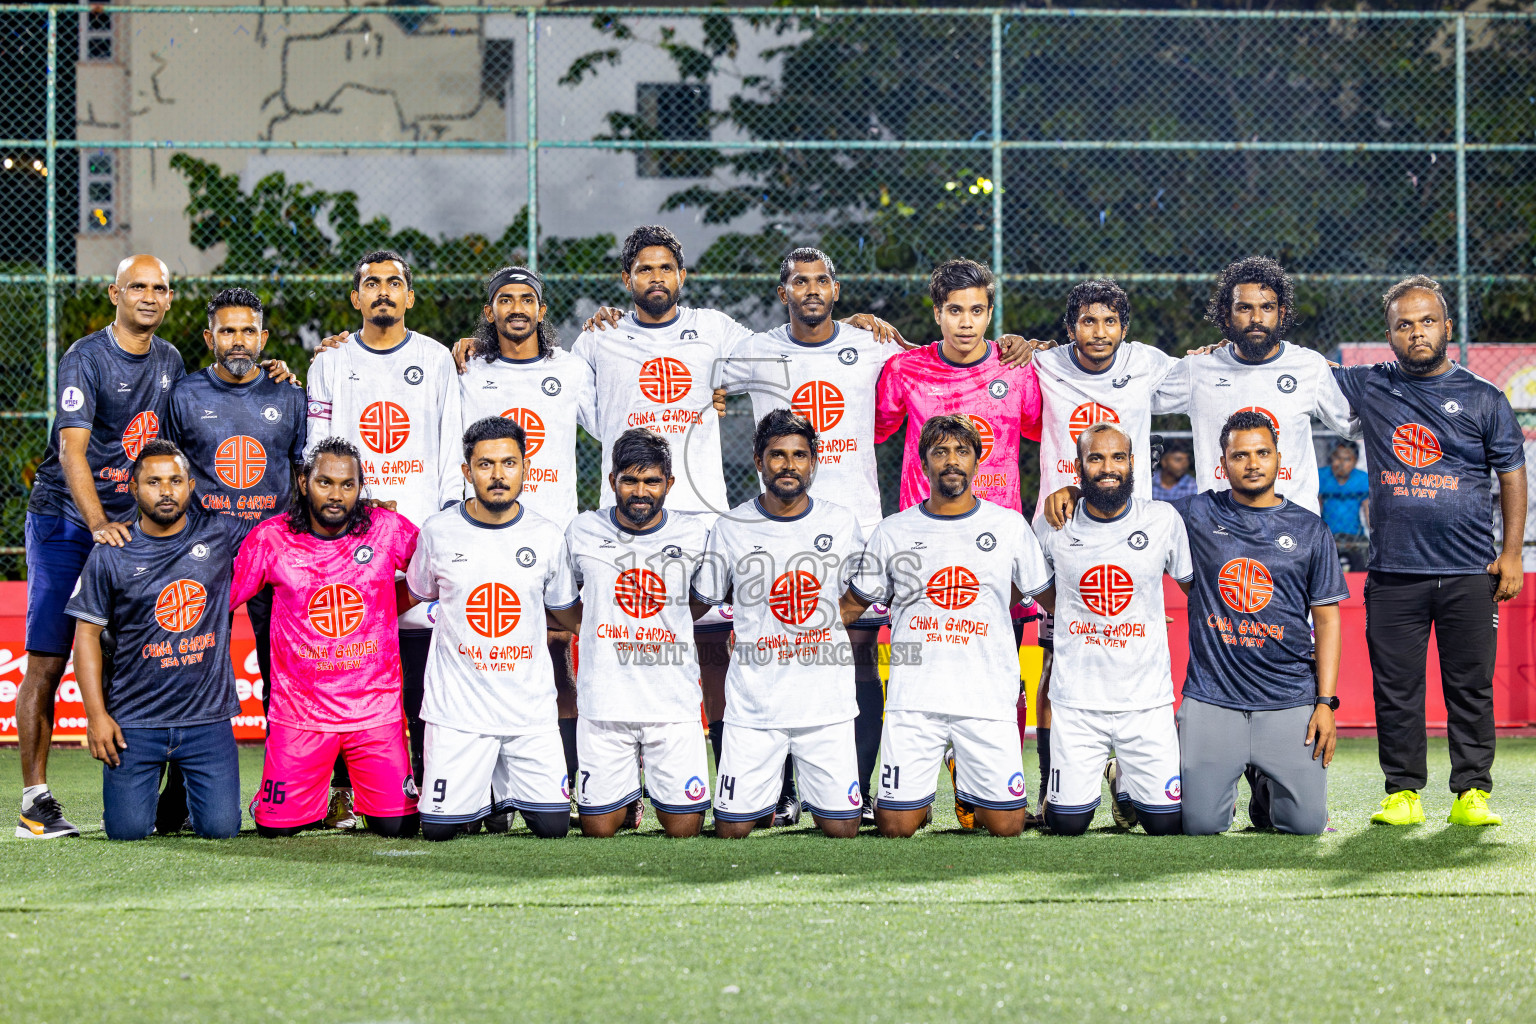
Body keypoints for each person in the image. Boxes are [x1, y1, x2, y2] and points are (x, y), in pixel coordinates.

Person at [1057, 413, 1346, 835]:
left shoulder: (1310, 528)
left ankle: (1264, 783)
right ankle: (1154, 779)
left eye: (1262, 453)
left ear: (1279, 460)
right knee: (1196, 824)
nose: (1252, 463)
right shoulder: (1194, 512)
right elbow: (1121, 506)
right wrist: (1074, 490)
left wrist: (1326, 703)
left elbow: (1327, 620)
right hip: (1214, 696)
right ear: (1222, 462)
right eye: (1240, 455)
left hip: (1288, 696)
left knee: (1306, 826)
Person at [1333, 275, 1527, 827]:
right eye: (1403, 325)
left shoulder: (1483, 398)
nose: (1416, 332)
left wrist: (1510, 553)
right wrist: (1224, 352)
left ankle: (1472, 793)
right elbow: (1293, 372)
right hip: (1394, 572)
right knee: (1396, 690)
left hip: (1469, 571)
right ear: (1389, 335)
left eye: (1426, 321)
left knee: (1470, 686)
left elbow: (1512, 475)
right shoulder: (1370, 385)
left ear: (1446, 327)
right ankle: (1403, 794)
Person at [718, 247, 901, 826]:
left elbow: (939, 364)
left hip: (855, 526)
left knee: (859, 659)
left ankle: (858, 788)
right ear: (784, 292)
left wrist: (1027, 349)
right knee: (778, 645)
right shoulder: (755, 350)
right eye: (800, 281)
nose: (812, 290)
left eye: (822, 280)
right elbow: (685, 375)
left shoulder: (870, 344)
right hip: (777, 525)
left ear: (837, 290)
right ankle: (781, 789)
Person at [16, 254, 185, 838]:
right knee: (48, 655)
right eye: (137, 286)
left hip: (124, 528)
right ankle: (34, 801)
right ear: (114, 293)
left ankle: (149, 793)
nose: (149, 296)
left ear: (169, 299)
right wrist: (97, 528)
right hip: (67, 521)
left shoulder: (170, 359)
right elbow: (72, 452)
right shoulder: (85, 357)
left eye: (160, 288)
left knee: (134, 657)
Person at [305, 249, 462, 824]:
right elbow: (315, 448)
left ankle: (427, 781)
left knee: (422, 671)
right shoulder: (330, 361)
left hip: (416, 539)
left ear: (410, 297)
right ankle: (342, 790)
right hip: (349, 540)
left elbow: (451, 450)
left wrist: (444, 524)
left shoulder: (436, 359)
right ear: (355, 298)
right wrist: (331, 521)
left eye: (394, 283)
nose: (383, 292)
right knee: (347, 666)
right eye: (371, 283)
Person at [1014, 278, 1179, 817]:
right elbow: (988, 359)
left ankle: (1129, 779)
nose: (1100, 332)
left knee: (1132, 658)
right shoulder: (1045, 363)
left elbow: (1204, 376)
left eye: (1110, 321)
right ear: (1069, 329)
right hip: (1064, 530)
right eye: (1088, 321)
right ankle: (1051, 783)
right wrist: (1016, 342)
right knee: (1057, 662)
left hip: (1132, 538)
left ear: (1124, 329)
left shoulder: (1148, 363)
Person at [844, 414, 1052, 837]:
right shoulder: (893, 530)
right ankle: (924, 792)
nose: (951, 461)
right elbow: (852, 604)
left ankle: (964, 770)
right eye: (940, 452)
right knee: (896, 827)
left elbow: (1049, 598)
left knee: (1007, 826)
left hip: (986, 698)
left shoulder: (1008, 526)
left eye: (961, 451)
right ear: (924, 463)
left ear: (978, 461)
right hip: (915, 700)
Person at [160, 287, 307, 832]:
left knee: (285, 677)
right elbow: (165, 472)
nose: (238, 340)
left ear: (263, 338)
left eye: (248, 331)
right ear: (209, 338)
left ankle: (283, 794)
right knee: (192, 670)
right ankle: (175, 796)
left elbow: (304, 473)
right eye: (227, 331)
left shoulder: (290, 395)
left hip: (275, 556)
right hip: (205, 556)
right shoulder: (183, 395)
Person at [457, 265, 597, 827]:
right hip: (485, 533)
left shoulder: (572, 369)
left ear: (542, 311)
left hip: (553, 539)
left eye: (528, 299)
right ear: (489, 312)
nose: (517, 307)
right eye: (505, 299)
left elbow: (617, 422)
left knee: (559, 662)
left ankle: (563, 782)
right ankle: (491, 794)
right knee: (487, 661)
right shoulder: (466, 369)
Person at [231, 438, 421, 838]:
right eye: (325, 483)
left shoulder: (386, 529)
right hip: (300, 715)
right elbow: (220, 600)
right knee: (276, 831)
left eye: (347, 485)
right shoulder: (271, 539)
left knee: (399, 826)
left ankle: (373, 799)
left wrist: (388, 602)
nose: (336, 495)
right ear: (304, 482)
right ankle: (270, 800)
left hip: (375, 712)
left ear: (360, 487)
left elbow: (438, 576)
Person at [691, 409, 864, 838]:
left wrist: (824, 620)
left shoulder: (840, 523)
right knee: (732, 830)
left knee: (842, 829)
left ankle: (812, 797)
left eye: (799, 455)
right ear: (758, 460)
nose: (789, 466)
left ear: (814, 462)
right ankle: (770, 797)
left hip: (824, 706)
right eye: (778, 455)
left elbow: (864, 589)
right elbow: (711, 594)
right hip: (755, 707)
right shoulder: (730, 526)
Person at [406, 417, 581, 840]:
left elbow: (566, 613)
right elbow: (417, 592)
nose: (498, 475)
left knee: (555, 827)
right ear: (467, 472)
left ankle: (499, 793)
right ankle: (481, 794)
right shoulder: (438, 531)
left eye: (509, 463)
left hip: (528, 714)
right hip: (458, 714)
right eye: (485, 465)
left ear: (526, 468)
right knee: (439, 831)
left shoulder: (546, 535)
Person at [65, 440, 245, 840]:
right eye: (154, 482)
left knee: (221, 830)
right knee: (126, 833)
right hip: (134, 722)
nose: (166, 491)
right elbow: (87, 636)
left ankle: (183, 786)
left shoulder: (220, 534)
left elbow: (293, 526)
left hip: (206, 721)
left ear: (191, 485)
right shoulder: (112, 551)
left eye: (176, 480)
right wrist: (97, 717)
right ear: (133, 488)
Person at [1031, 423, 1192, 837]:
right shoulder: (1053, 523)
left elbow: (1195, 587)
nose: (1108, 467)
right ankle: (1105, 774)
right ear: (1079, 466)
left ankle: (1123, 778)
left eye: (1118, 457)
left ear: (1133, 463)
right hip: (1078, 703)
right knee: (1065, 824)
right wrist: (1084, 614)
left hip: (1146, 701)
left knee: (1167, 824)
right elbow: (1038, 590)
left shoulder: (1162, 519)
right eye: (1096, 458)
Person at [564, 428, 715, 837]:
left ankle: (642, 792)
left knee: (684, 829)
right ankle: (627, 800)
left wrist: (660, 621)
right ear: (612, 481)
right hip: (604, 705)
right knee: (599, 831)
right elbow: (563, 603)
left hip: (673, 705)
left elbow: (699, 601)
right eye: (629, 480)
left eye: (651, 481)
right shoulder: (582, 531)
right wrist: (598, 625)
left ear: (669, 483)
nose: (640, 491)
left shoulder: (694, 534)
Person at [1153, 255, 1354, 516]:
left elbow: (1355, 427)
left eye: (1267, 307)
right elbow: (1133, 395)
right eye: (1245, 308)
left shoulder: (1309, 367)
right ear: (1227, 315)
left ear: (1281, 313)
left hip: (1293, 528)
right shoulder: (1198, 369)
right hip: (1221, 526)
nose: (1256, 318)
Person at [1318, 441, 1370, 570]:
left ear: (1355, 461)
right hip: (1328, 534)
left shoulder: (1362, 479)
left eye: (1347, 459)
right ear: (1331, 458)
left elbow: (1368, 511)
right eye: (1337, 457)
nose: (1341, 463)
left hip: (1354, 535)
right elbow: (1316, 509)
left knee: (1363, 564)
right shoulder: (1321, 476)